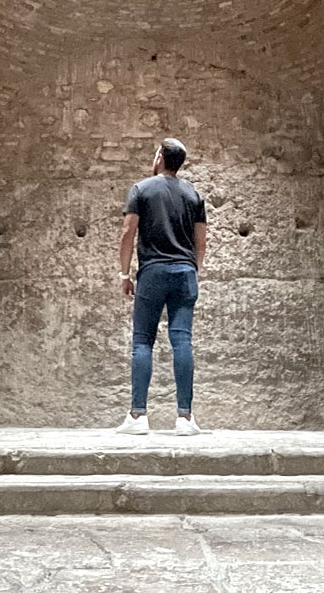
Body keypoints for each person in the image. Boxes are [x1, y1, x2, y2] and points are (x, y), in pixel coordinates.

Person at [114, 137, 207, 436]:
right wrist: (193, 270)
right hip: (184, 273)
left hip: (152, 273)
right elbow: (200, 241)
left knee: (143, 342)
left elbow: (128, 232)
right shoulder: (193, 194)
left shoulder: (141, 189)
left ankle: (138, 416)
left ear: (159, 157)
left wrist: (124, 274)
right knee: (182, 341)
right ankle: (185, 418)